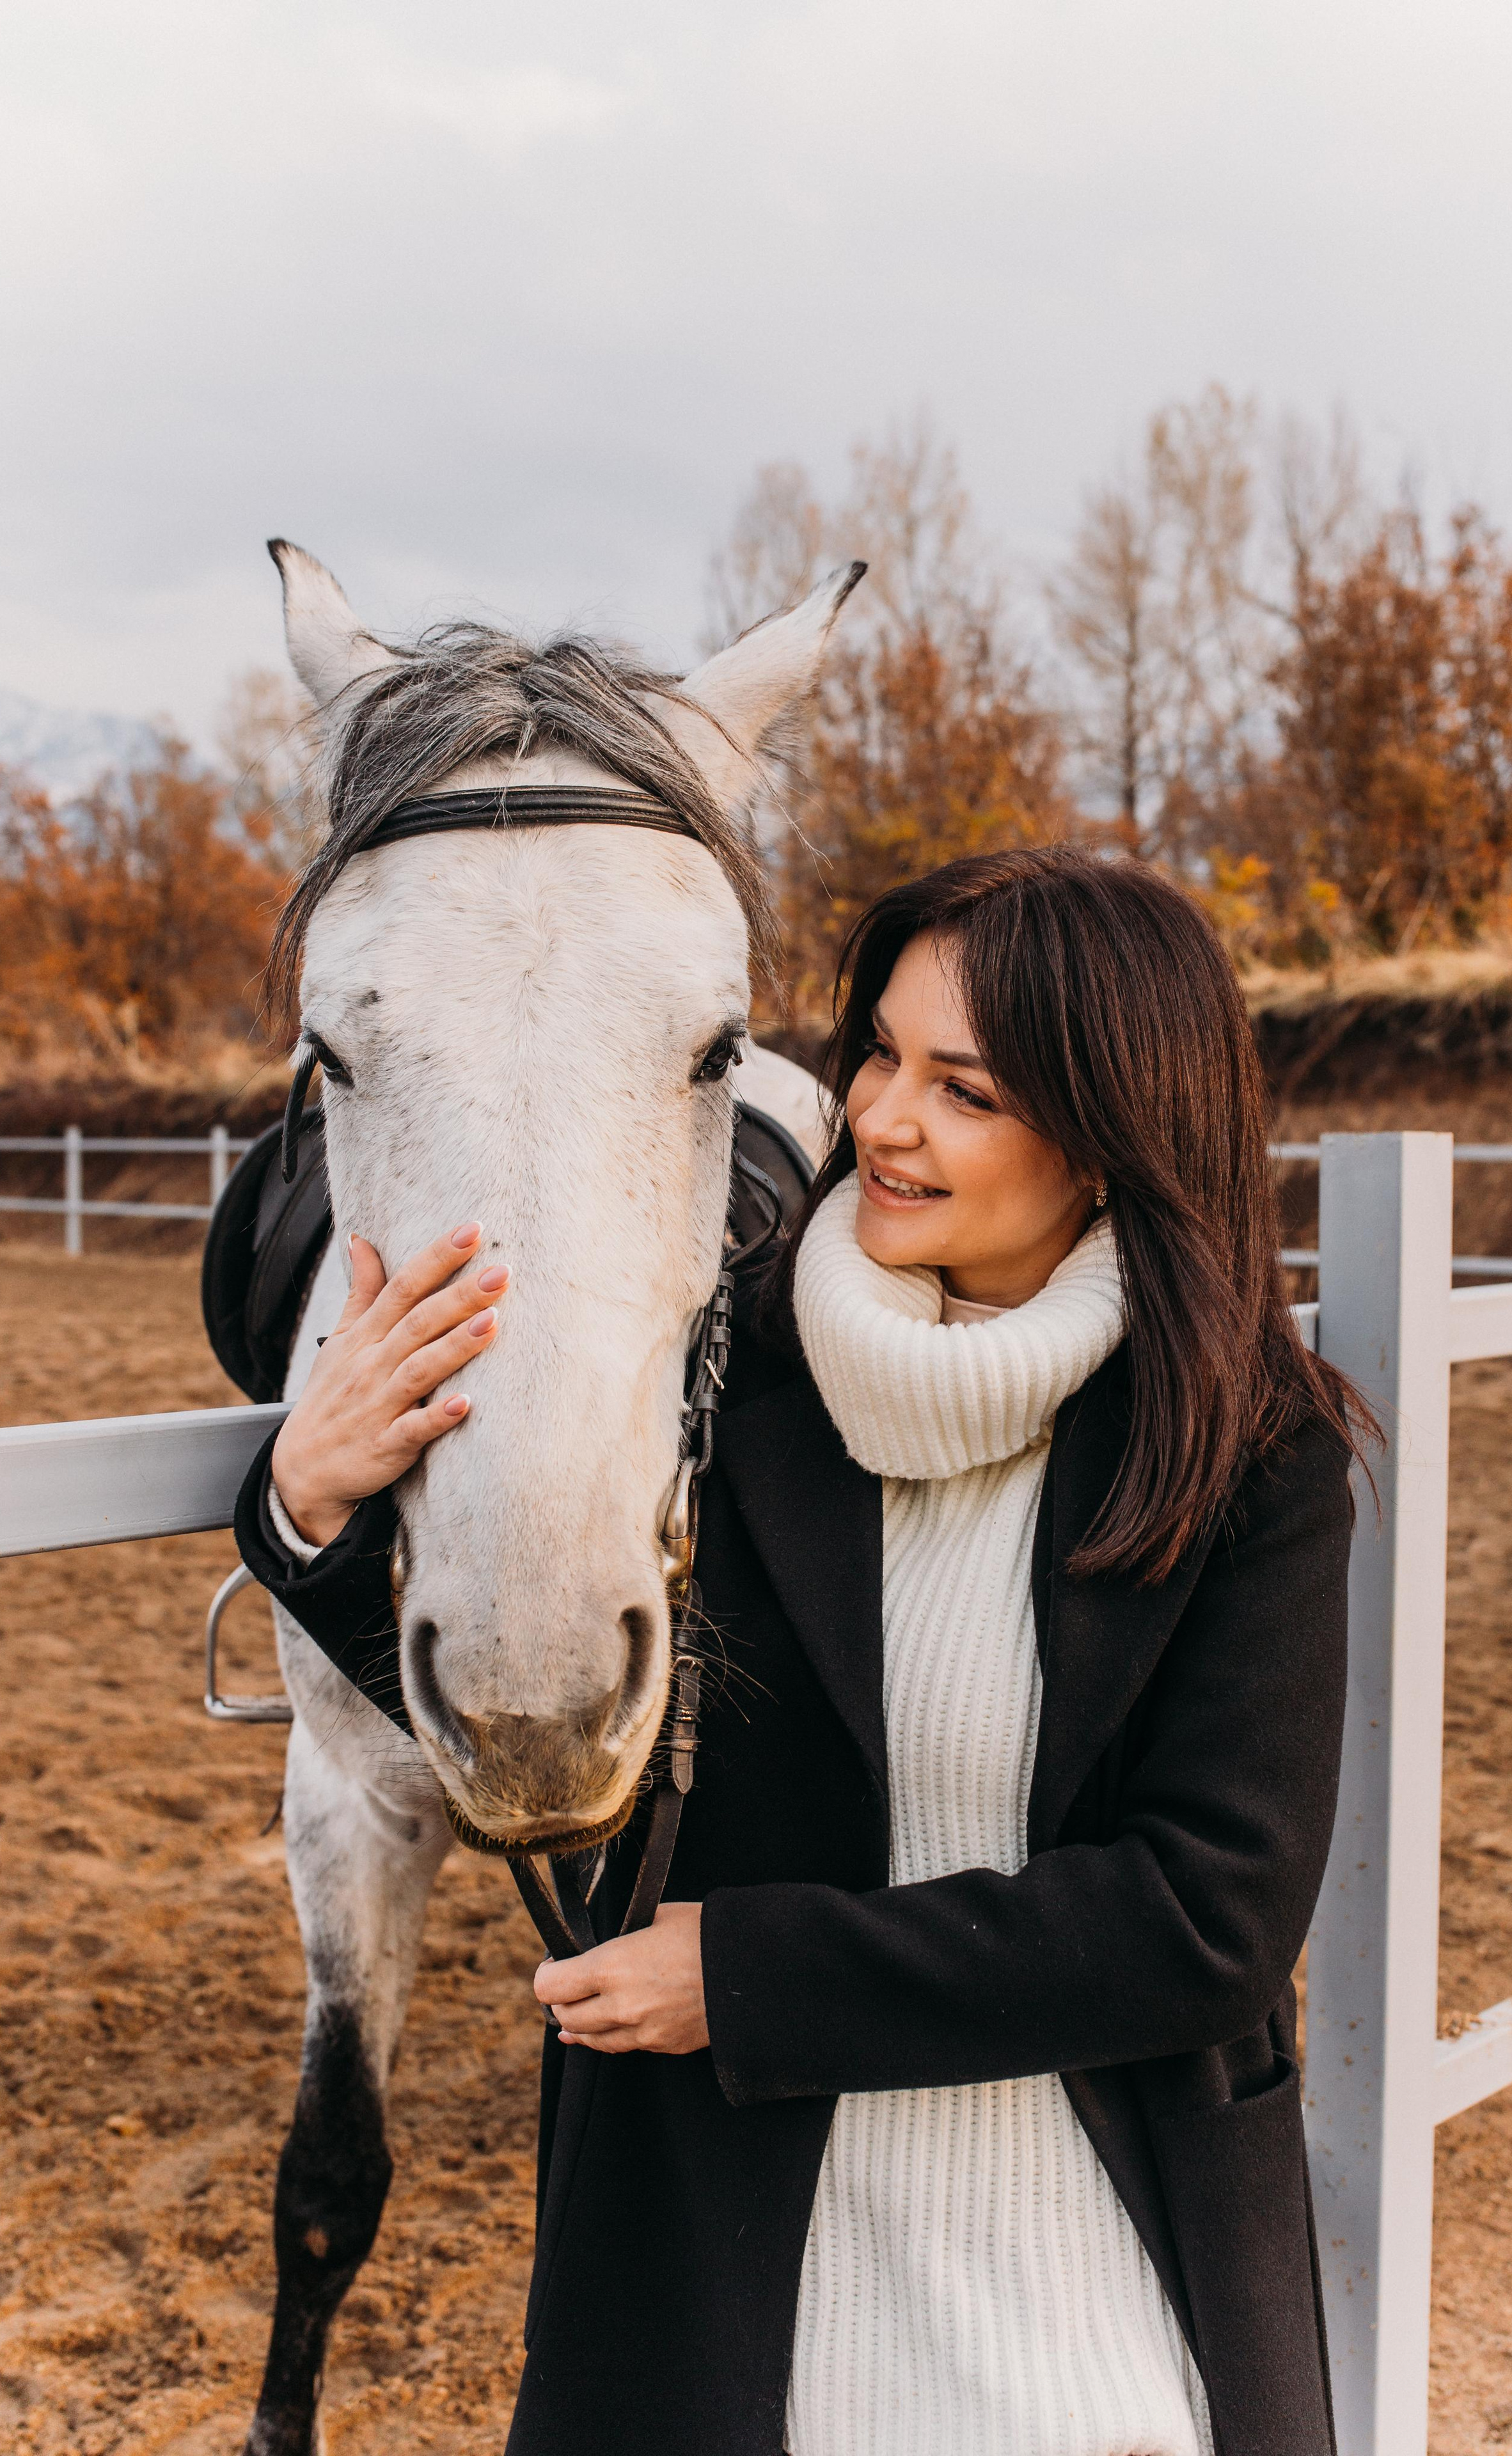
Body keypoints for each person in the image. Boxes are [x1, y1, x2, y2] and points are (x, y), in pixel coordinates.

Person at [239, 846, 1368, 2456]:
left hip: (1104, 2281)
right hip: (726, 2268)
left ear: (1117, 1134)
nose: (881, 1120)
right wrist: (305, 1505)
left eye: (962, 1089)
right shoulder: (736, 1386)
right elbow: (558, 1706)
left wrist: (746, 1975)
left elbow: (1211, 1916)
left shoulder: (1240, 1452)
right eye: (880, 1055)